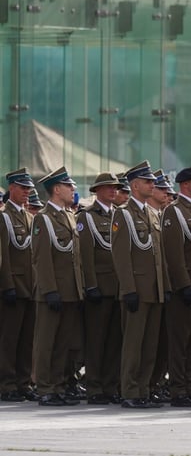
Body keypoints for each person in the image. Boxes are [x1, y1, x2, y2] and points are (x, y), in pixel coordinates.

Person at [112, 161, 170, 409]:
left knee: (150, 344)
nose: (152, 185)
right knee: (134, 344)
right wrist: (128, 289)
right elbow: (121, 256)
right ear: (135, 185)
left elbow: (160, 255)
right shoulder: (123, 214)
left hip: (154, 290)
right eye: (147, 181)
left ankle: (144, 389)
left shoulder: (153, 213)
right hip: (137, 290)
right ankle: (130, 391)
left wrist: (164, 286)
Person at [32, 166, 84, 406]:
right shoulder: (43, 218)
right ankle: (45, 388)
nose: (73, 189)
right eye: (68, 186)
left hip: (70, 291)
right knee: (47, 342)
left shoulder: (68, 215)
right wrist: (49, 289)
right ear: (56, 189)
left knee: (63, 342)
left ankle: (58, 385)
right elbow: (41, 258)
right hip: (52, 292)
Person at [161, 166, 191, 407]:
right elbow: (174, 254)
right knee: (180, 341)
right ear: (184, 185)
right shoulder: (174, 212)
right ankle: (178, 388)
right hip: (186, 288)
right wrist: (183, 284)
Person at [77, 172, 123, 405]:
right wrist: (91, 284)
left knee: (115, 340)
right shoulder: (87, 217)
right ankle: (94, 386)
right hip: (100, 287)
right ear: (97, 191)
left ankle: (110, 385)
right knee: (96, 340)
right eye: (108, 187)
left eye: (115, 187)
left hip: (118, 288)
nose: (113, 191)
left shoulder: (119, 215)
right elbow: (85, 255)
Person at [0, 168, 37, 402]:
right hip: (13, 286)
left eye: (28, 189)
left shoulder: (29, 217)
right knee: (9, 339)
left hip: (30, 286)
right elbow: (2, 255)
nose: (27, 192)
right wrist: (7, 285)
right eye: (23, 188)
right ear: (11, 187)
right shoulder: (3, 217)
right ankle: (6, 383)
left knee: (26, 340)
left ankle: (23, 382)